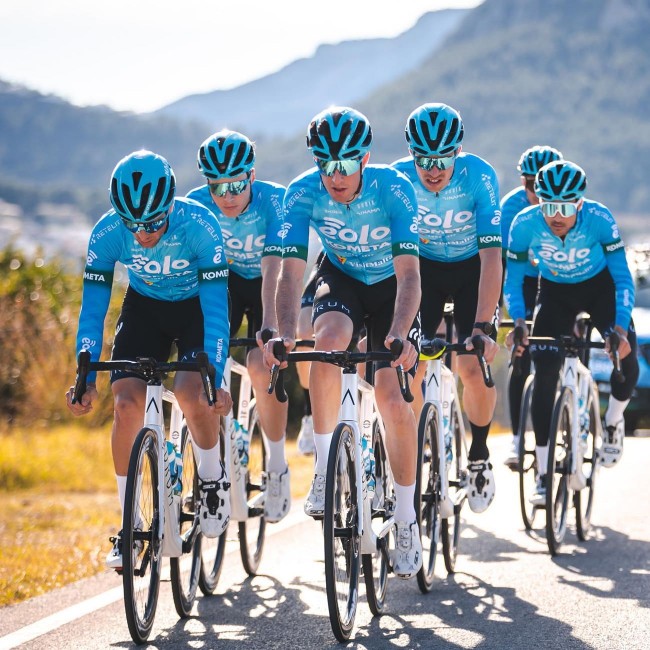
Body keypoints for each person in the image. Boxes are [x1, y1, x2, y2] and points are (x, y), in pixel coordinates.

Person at [264, 106, 424, 578]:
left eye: (346, 164)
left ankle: (407, 517)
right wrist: (285, 333)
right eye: (326, 164)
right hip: (343, 279)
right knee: (327, 341)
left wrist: (399, 332)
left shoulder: (394, 188)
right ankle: (324, 470)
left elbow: (411, 275)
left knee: (392, 399)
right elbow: (291, 273)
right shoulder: (302, 192)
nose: (335, 176)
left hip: (393, 287)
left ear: (365, 159)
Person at [65, 150, 233, 569]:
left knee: (192, 392)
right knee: (126, 404)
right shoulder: (107, 233)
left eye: (154, 223)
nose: (142, 234)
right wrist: (85, 374)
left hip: (196, 310)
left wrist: (216, 378)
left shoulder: (200, 226)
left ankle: (211, 477)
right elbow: (92, 309)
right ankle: (129, 525)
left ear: (170, 206)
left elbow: (216, 310)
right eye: (133, 224)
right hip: (145, 309)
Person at [504, 160, 639, 504]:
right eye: (548, 206)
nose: (555, 216)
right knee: (544, 373)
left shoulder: (599, 218)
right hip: (555, 293)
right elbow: (514, 280)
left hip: (600, 289)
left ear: (579, 203)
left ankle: (612, 421)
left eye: (564, 208)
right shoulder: (525, 224)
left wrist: (619, 329)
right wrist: (519, 322)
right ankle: (543, 472)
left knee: (626, 355)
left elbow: (623, 277)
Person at [392, 102, 501, 514]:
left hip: (473, 269)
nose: (433, 169)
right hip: (425, 272)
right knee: (412, 363)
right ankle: (419, 443)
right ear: (411, 154)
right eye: (424, 159)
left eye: (443, 159)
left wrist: (483, 326)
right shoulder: (399, 179)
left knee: (472, 366)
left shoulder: (479, 176)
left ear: (458, 151)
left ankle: (479, 453)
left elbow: (492, 258)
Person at [187, 129, 292, 523]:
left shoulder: (274, 200)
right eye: (218, 186)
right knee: (200, 363)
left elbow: (274, 267)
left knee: (261, 364)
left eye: (236, 184)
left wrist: (269, 326)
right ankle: (208, 467)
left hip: (267, 280)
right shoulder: (196, 206)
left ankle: (277, 467)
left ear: (252, 176)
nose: (227, 195)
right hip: (223, 284)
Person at [500, 145, 563, 469]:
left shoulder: (565, 208)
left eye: (544, 185)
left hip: (557, 280)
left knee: (563, 345)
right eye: (530, 184)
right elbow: (501, 262)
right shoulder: (511, 207)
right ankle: (516, 440)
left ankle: (571, 407)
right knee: (521, 357)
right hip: (523, 280)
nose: (536, 193)